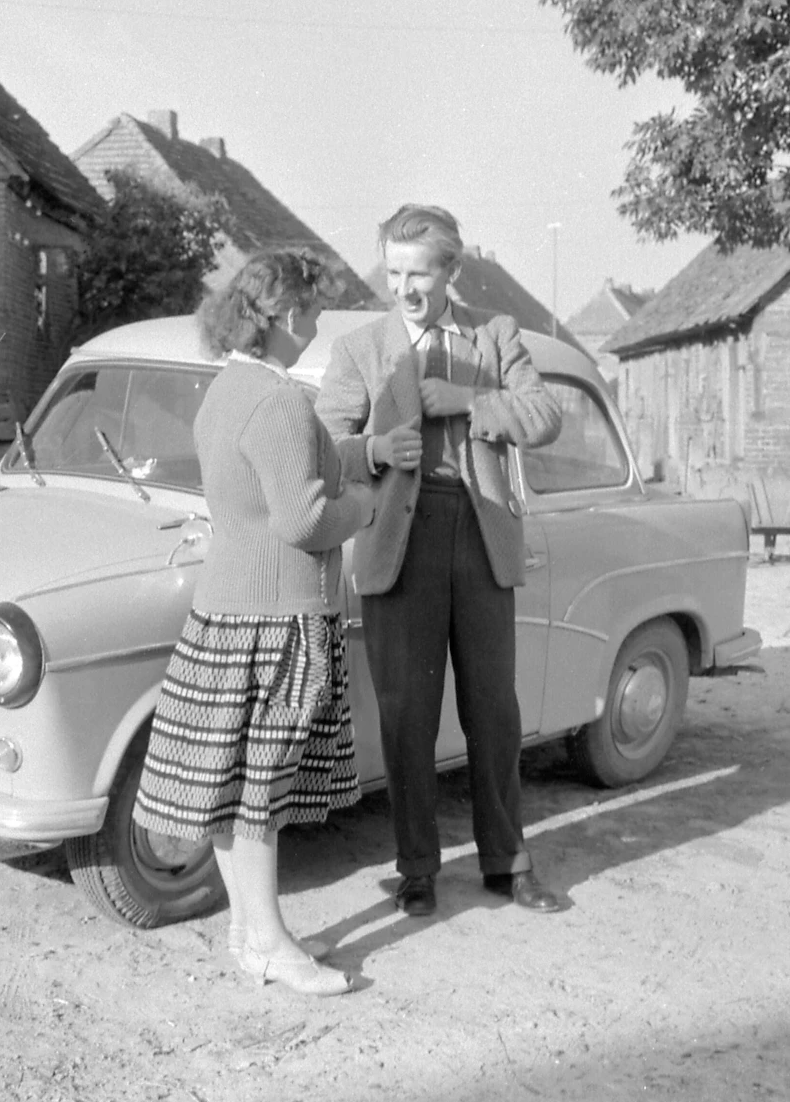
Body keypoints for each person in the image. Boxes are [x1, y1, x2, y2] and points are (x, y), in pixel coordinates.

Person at [133, 248, 375, 997]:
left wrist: (357, 452)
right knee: (261, 789)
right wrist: (365, 503)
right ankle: (271, 941)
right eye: (313, 310)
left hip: (225, 613)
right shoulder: (281, 401)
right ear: (287, 316)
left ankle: (247, 930)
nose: (317, 325)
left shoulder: (226, 389)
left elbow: (267, 480)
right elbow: (304, 517)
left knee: (230, 785)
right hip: (276, 620)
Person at [316, 204, 564, 918]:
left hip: (481, 536)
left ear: (452, 269)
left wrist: (469, 400)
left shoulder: (494, 336)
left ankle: (507, 863)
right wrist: (372, 450)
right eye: (394, 272)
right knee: (406, 714)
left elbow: (543, 416)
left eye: (420, 272)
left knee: (495, 711)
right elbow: (323, 444)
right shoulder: (362, 349)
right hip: (401, 541)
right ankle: (417, 868)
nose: (406, 288)